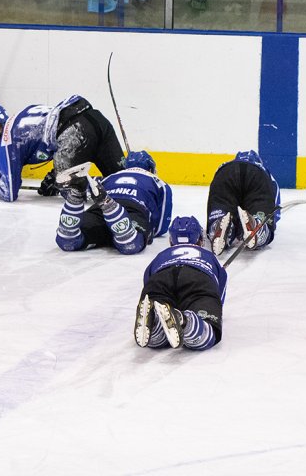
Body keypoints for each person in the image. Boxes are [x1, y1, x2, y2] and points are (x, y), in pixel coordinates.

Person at [0, 95, 125, 202]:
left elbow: (8, 193)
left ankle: (94, 185)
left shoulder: (7, 140)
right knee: (123, 182)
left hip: (74, 131)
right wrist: (55, 176)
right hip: (96, 118)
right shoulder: (24, 114)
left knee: (72, 191)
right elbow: (53, 137)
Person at [134, 216, 228, 350]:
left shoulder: (162, 255)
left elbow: (148, 279)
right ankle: (184, 321)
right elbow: (219, 294)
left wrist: (152, 295)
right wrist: (210, 307)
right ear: (200, 240)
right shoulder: (208, 256)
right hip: (198, 277)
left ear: (171, 240)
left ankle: (154, 323)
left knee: (156, 303)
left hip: (161, 276)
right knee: (207, 331)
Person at [54, 150, 172, 255]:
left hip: (98, 210)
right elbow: (161, 226)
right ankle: (108, 205)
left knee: (68, 242)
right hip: (133, 208)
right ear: (151, 168)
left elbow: (94, 185)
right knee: (131, 245)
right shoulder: (159, 182)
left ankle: (76, 195)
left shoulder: (110, 177)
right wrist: (147, 232)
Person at [205, 150, 281, 256]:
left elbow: (215, 194)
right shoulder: (263, 169)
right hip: (256, 175)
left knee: (221, 209)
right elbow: (274, 204)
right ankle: (257, 227)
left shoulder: (225, 165)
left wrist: (215, 211)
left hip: (226, 173)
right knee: (264, 223)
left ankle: (218, 225)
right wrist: (269, 220)